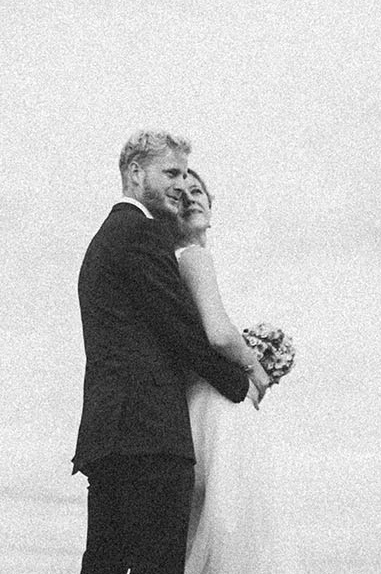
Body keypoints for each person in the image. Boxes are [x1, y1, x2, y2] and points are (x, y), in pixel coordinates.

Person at [73, 130, 260, 574]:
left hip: (114, 432)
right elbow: (182, 332)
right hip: (148, 434)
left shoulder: (113, 235)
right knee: (158, 565)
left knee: (106, 563)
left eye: (184, 174)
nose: (179, 183)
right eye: (170, 172)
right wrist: (243, 383)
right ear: (136, 174)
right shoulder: (139, 234)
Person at [173, 170, 303, 574]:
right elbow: (218, 334)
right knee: (232, 516)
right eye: (180, 196)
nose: (192, 199)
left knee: (208, 517)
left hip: (196, 399)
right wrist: (255, 369)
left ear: (212, 207)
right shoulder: (194, 257)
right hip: (215, 403)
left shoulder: (178, 262)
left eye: (198, 192)